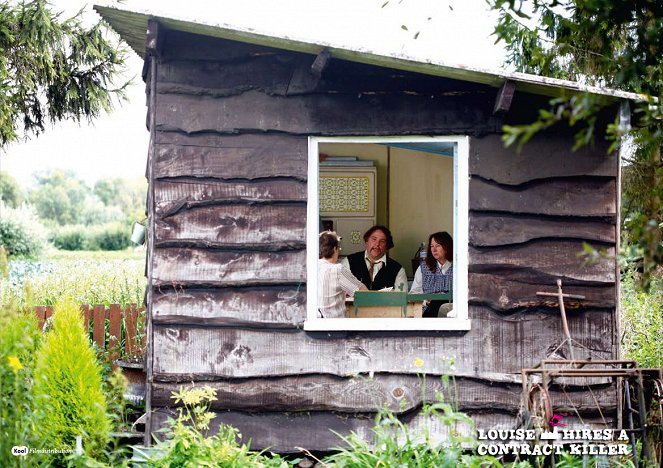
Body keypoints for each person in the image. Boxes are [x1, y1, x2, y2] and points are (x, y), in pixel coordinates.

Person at [341, 225, 407, 292]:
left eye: (382, 241)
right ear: (366, 241)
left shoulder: (398, 269)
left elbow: (401, 298)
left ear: (387, 245)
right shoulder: (349, 262)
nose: (377, 244)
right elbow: (340, 291)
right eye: (374, 239)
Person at [318, 231, 367, 318]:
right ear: (334, 249)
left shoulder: (310, 268)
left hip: (314, 326)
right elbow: (363, 293)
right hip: (335, 327)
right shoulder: (338, 270)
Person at [409, 231, 453, 317]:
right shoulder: (424, 267)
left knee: (440, 302)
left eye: (438, 246)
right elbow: (413, 293)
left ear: (447, 246)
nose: (434, 250)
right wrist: (426, 300)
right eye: (432, 246)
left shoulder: (458, 267)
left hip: (451, 310)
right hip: (427, 309)